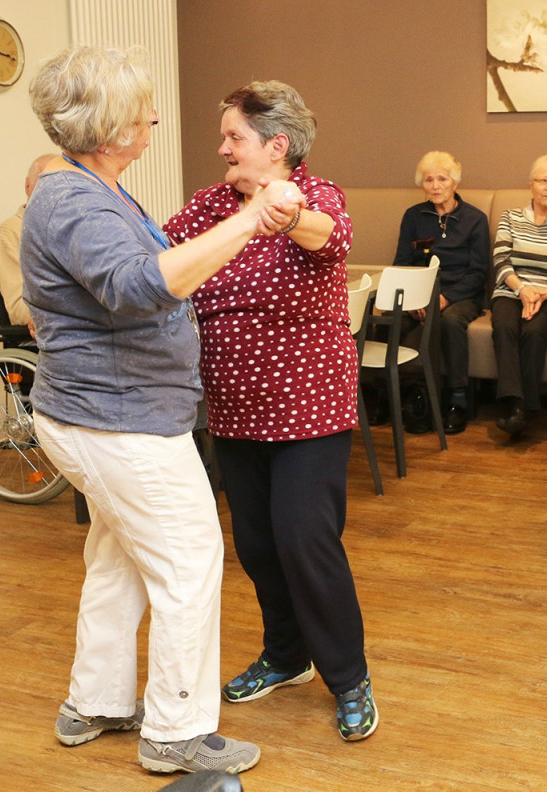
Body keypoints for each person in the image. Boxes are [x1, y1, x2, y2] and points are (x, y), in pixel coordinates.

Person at [23, 46, 273, 774]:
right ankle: (176, 733)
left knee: (118, 558)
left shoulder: (92, 184)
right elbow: (139, 285)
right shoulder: (70, 197)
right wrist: (252, 217)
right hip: (118, 423)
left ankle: (94, 704)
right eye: (142, 114)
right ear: (107, 130)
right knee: (189, 562)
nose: (155, 120)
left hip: (107, 416)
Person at [163, 81, 378, 743]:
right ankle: (287, 657)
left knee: (304, 542)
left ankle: (349, 676)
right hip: (232, 410)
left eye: (234, 137)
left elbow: (328, 235)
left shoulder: (317, 196)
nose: (222, 147)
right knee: (255, 545)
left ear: (276, 145)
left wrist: (282, 212)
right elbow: (158, 255)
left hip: (308, 406)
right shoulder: (209, 205)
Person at [393, 151, 491, 434]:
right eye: (428, 180)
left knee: (449, 321)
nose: (435, 185)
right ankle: (399, 395)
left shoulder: (475, 219)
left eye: (442, 179)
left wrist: (444, 298)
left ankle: (456, 399)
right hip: (419, 294)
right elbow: (402, 263)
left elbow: (477, 273)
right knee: (391, 319)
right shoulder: (413, 217)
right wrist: (414, 298)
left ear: (454, 183)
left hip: (462, 296)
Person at [491, 154, 547, 435]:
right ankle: (516, 405)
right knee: (505, 325)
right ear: (531, 184)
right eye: (543, 180)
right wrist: (521, 289)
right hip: (510, 290)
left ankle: (523, 408)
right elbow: (500, 259)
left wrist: (542, 294)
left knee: (533, 332)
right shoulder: (510, 217)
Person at [0, 152, 56, 328]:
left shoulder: (72, 228)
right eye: (45, 183)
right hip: (51, 327)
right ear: (28, 186)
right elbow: (17, 306)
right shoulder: (11, 231)